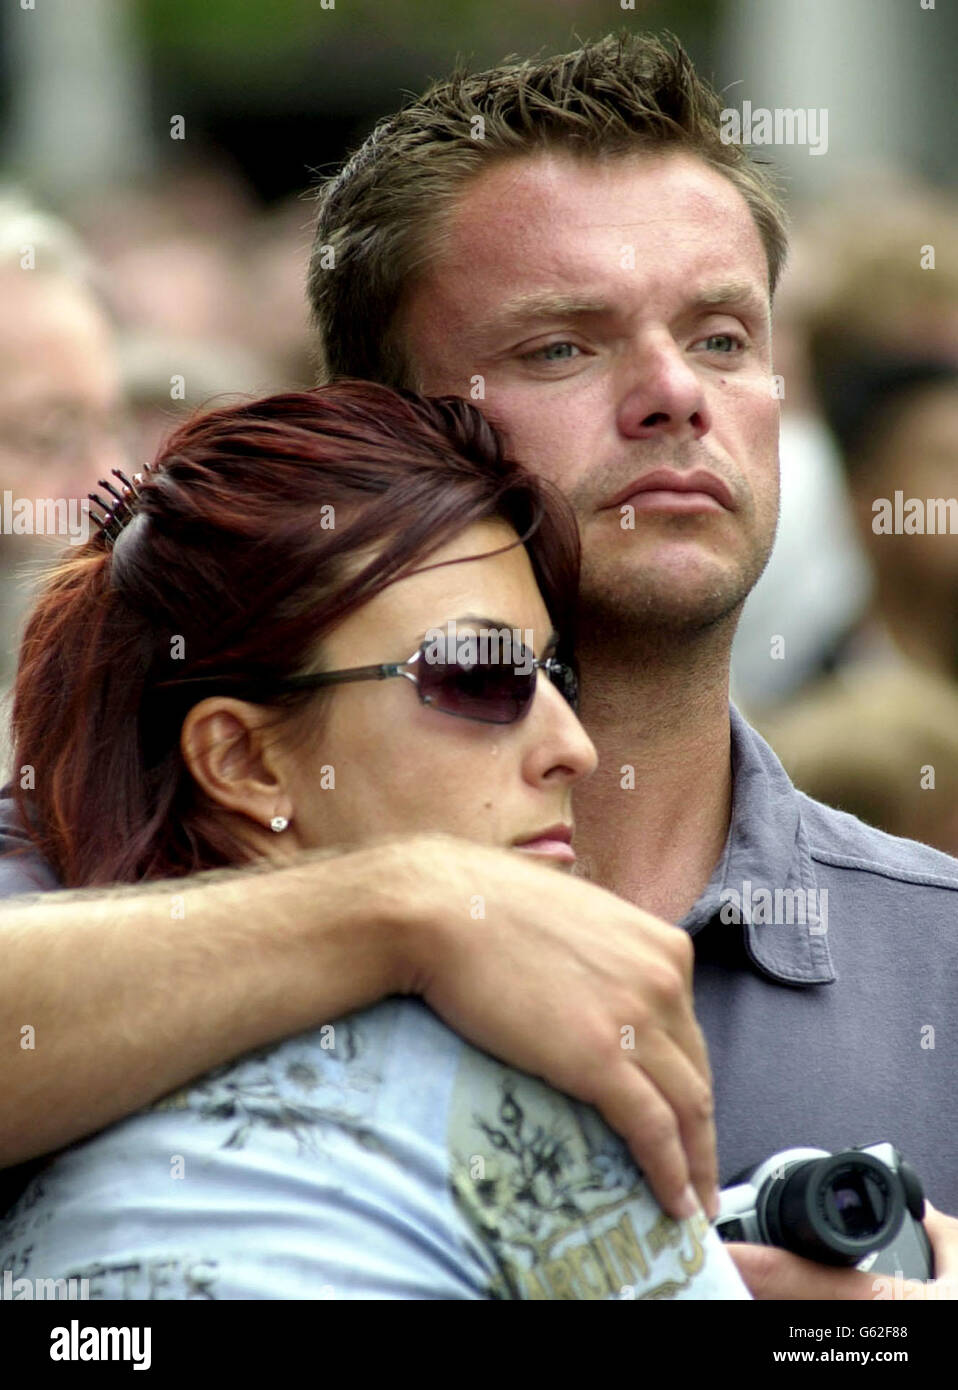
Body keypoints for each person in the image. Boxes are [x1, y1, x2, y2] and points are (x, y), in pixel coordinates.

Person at [2, 33, 957, 1298]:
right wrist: (398, 915)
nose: (674, 393)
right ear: (387, 423)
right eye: (563, 346)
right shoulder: (86, 867)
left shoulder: (933, 952)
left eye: (724, 337)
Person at [0, 382, 747, 1301]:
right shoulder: (529, 1084)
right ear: (243, 762)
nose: (574, 749)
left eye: (559, 675)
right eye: (480, 674)